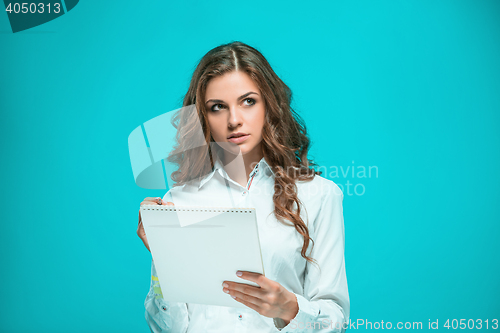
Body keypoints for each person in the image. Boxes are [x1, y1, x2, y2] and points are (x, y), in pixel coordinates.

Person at [137, 41, 349, 332]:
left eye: (248, 101)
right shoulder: (178, 200)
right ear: (203, 117)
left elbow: (335, 319)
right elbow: (166, 328)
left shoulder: (319, 195)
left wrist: (289, 308)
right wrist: (163, 259)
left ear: (269, 105)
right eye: (218, 107)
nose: (234, 120)